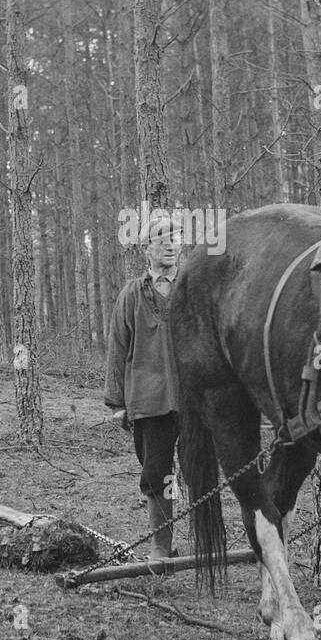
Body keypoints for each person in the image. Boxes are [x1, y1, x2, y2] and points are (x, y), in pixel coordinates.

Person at [104, 213, 181, 559]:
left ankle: (210, 544)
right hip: (150, 402)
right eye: (160, 238)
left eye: (174, 237)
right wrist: (117, 403)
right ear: (146, 250)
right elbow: (117, 349)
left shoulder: (192, 288)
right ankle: (160, 549)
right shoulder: (131, 295)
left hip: (192, 399)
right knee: (157, 472)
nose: (168, 244)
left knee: (202, 471)